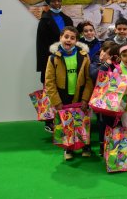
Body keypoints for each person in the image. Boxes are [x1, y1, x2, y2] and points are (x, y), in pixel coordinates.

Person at [45, 26, 94, 160]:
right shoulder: (53, 58)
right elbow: (49, 82)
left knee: (83, 122)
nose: (69, 40)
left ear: (76, 41)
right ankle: (69, 148)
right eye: (66, 37)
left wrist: (85, 99)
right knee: (67, 124)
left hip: (80, 96)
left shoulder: (84, 56)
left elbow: (89, 79)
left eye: (72, 38)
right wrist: (57, 101)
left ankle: (86, 146)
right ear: (60, 38)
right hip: (63, 97)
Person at [89, 41, 119, 156]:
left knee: (114, 122)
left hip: (114, 99)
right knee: (102, 122)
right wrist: (106, 64)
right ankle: (102, 145)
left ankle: (114, 144)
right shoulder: (94, 63)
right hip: (100, 99)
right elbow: (94, 75)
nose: (105, 55)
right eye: (104, 52)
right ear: (100, 50)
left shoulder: (116, 66)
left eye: (109, 54)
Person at [36, 0, 73, 84]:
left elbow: (73, 39)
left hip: (67, 58)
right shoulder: (44, 21)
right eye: (53, 1)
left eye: (59, 0)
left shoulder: (67, 19)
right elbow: (41, 45)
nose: (57, 3)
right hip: (51, 59)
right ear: (48, 3)